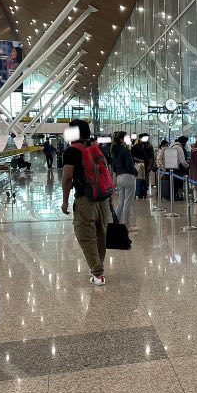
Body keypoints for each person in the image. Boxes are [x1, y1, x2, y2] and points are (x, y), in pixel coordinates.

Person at [61, 120, 112, 286]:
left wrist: (65, 201)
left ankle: (98, 274)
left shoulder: (71, 151)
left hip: (85, 200)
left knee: (86, 235)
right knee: (100, 234)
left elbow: (68, 178)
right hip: (103, 199)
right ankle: (98, 268)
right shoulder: (97, 148)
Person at [111, 131, 137, 230]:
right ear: (122, 140)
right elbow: (130, 166)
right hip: (128, 177)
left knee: (120, 201)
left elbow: (114, 167)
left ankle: (116, 223)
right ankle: (126, 225)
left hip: (119, 177)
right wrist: (135, 172)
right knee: (127, 202)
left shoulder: (114, 151)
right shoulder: (126, 151)